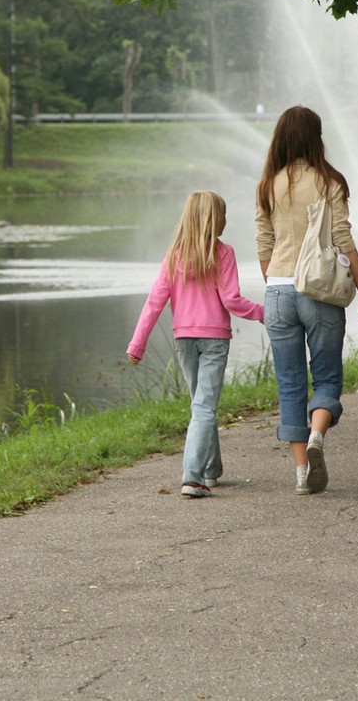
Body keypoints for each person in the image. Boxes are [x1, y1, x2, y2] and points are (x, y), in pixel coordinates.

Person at [255, 105, 358, 495]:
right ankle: (317, 438)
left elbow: (263, 243)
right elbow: (344, 242)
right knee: (326, 378)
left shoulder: (268, 183)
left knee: (290, 384)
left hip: (277, 290)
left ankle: (300, 473)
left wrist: (277, 284)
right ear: (316, 136)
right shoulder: (329, 181)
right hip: (320, 292)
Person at [127, 190, 264, 498]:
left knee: (201, 405)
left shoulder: (175, 254)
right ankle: (192, 478)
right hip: (214, 340)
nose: (226, 220)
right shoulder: (223, 252)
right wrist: (263, 313)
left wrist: (138, 344)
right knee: (204, 406)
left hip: (184, 340)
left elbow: (155, 301)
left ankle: (210, 470)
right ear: (215, 220)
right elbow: (232, 300)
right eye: (223, 215)